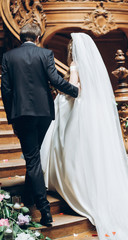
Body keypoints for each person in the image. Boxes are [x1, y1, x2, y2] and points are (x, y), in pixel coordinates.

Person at [40, 33, 128, 239]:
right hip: (89, 111)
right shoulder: (92, 68)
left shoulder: (75, 65)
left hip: (74, 109)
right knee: (91, 151)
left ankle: (74, 187)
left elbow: (75, 89)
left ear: (72, 51)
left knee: (69, 148)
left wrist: (62, 93)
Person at [1, 23, 79, 226]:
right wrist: (75, 91)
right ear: (37, 38)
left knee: (33, 158)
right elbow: (55, 80)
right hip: (44, 114)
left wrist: (11, 117)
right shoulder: (46, 54)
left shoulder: (8, 57)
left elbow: (6, 90)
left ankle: (44, 211)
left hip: (22, 115)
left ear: (21, 38)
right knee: (33, 156)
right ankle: (28, 197)